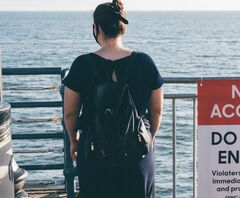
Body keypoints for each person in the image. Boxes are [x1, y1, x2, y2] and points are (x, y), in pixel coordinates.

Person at [62, 0, 164, 197]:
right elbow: (157, 110)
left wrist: (74, 141)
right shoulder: (144, 62)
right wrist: (149, 137)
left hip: (94, 150)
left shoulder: (82, 64)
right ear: (122, 27)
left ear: (96, 28)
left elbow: (70, 113)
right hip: (137, 149)